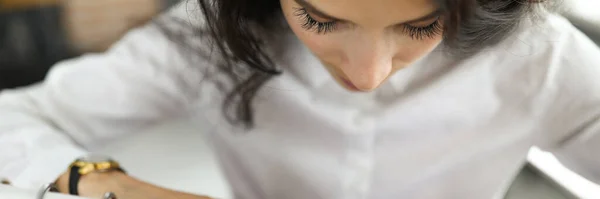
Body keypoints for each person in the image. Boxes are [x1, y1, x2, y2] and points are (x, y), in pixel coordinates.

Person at [1, 0, 600, 198]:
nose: (368, 74)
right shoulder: (203, 37)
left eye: (418, 27)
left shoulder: (537, 56)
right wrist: (110, 184)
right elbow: (13, 119)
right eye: (322, 19)